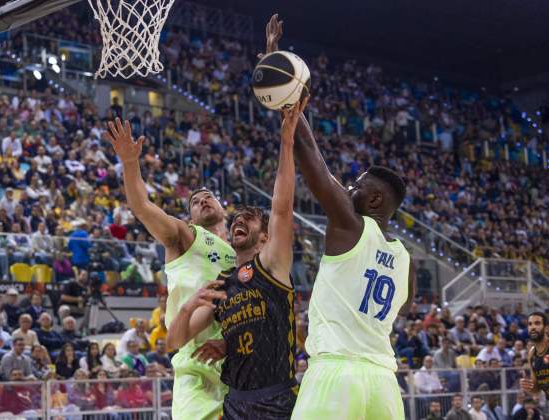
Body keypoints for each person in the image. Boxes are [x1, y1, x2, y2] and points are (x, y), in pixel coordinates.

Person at [258, 13, 413, 419]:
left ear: (375, 200)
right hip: (383, 380)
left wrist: (276, 66)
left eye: (357, 186)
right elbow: (404, 305)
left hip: (336, 373)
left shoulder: (350, 225)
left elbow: (309, 153)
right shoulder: (405, 258)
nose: (348, 189)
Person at [167, 100, 304, 419]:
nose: (240, 221)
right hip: (235, 403)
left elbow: (282, 208)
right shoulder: (222, 286)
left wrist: (286, 141)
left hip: (278, 398)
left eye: (251, 219)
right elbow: (174, 341)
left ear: (265, 237)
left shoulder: (272, 267)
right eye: (237, 219)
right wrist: (190, 308)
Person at [106, 116, 237, 420]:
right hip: (195, 362)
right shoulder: (186, 236)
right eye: (195, 201)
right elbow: (142, 207)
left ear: (223, 208)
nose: (203, 200)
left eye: (209, 197)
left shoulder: (239, 252)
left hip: (235, 360)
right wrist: (129, 162)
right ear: (190, 217)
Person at [520, 312, 549, 397]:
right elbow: (537, 389)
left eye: (537, 323)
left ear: (546, 328)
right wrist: (528, 386)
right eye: (530, 324)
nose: (533, 327)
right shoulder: (531, 354)